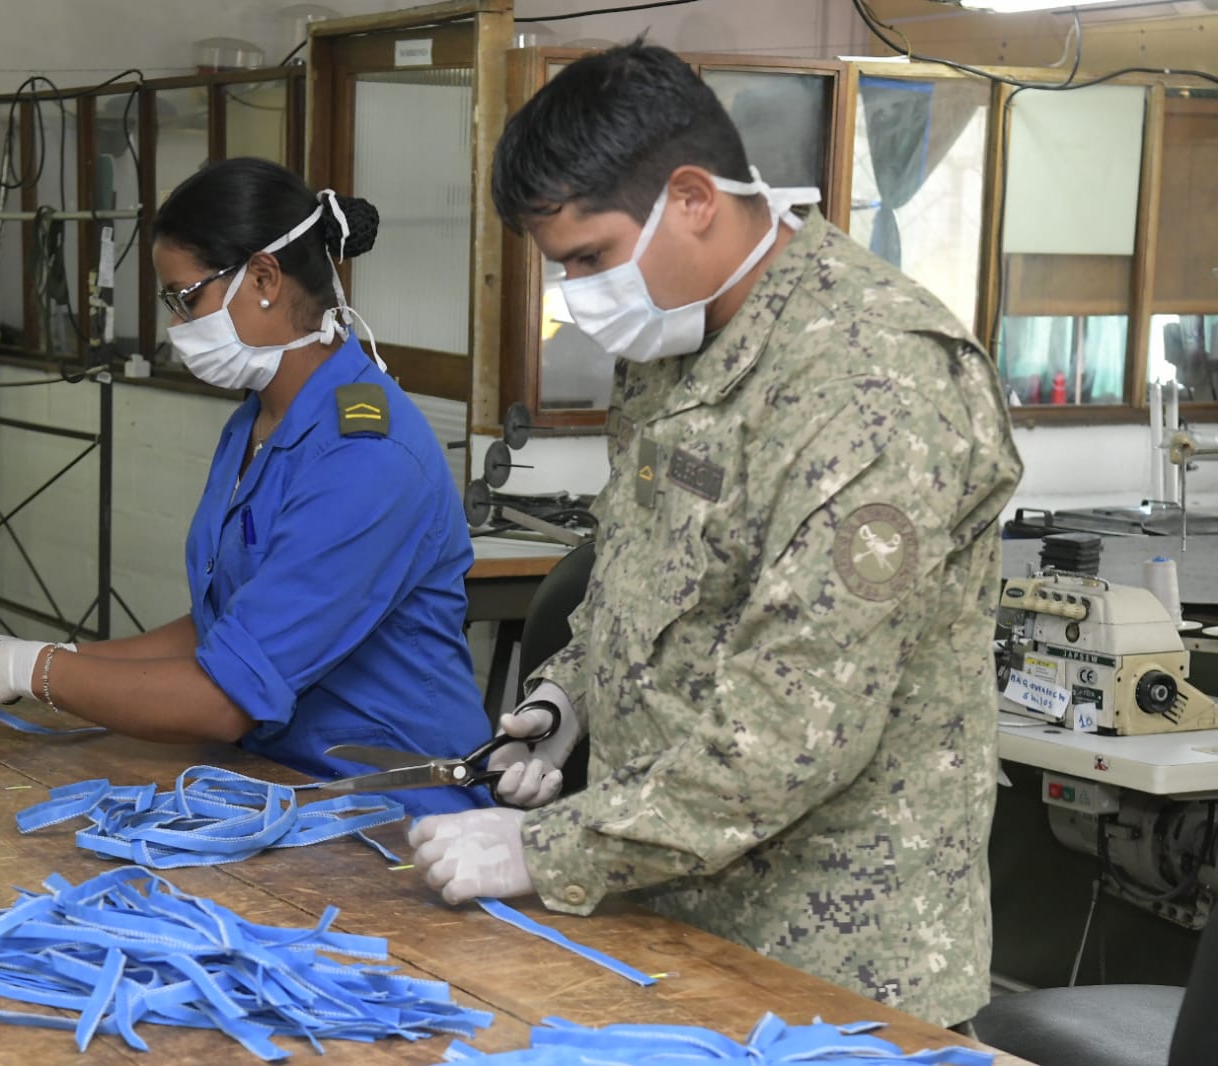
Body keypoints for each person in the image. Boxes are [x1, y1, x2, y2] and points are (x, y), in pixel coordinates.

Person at [408, 42, 1023, 1029]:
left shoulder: (874, 379)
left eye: (589, 258)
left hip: (829, 971)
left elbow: (797, 724)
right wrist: (573, 693)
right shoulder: (677, 333)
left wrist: (542, 848)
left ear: (692, 197)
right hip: (662, 921)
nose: (576, 293)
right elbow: (638, 563)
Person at [0, 157, 491, 817]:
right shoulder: (258, 420)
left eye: (185, 297)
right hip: (279, 781)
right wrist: (66, 658)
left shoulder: (366, 456)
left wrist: (35, 673)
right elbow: (222, 628)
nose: (176, 326)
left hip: (395, 812)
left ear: (265, 277)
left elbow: (225, 698)